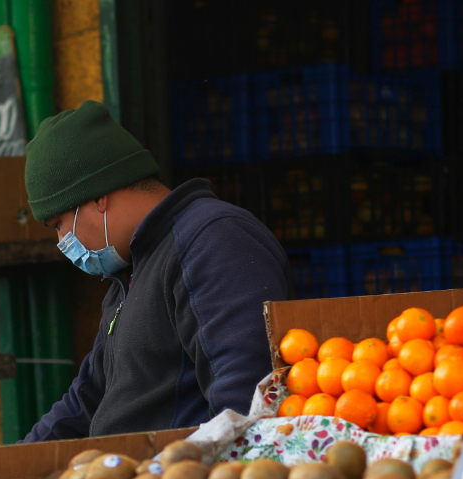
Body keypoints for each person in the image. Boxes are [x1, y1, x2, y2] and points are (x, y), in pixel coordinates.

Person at [22, 100, 289, 442]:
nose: (62, 241)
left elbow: (244, 405)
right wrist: (1, 469)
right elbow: (87, 398)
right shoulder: (130, 272)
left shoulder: (214, 241)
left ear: (97, 197)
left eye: (58, 224)